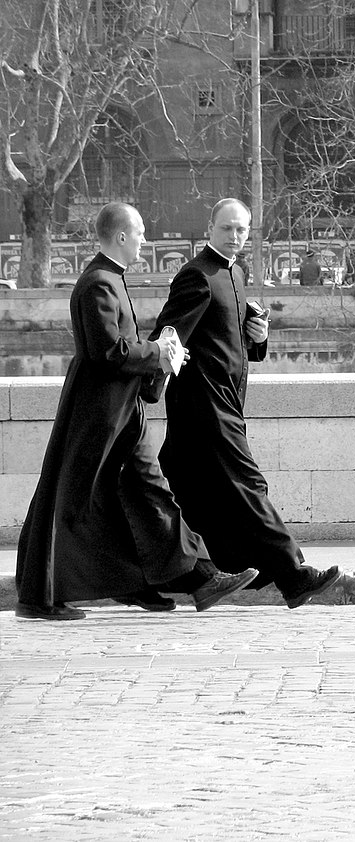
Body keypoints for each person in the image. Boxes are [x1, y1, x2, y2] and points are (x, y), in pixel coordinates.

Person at [15, 202, 258, 620]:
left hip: (119, 410)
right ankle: (39, 597)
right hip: (100, 413)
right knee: (72, 499)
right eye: (141, 232)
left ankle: (181, 580)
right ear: (122, 236)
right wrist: (158, 353)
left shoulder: (109, 278)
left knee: (149, 490)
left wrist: (154, 359)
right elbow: (107, 351)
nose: (146, 239)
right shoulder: (98, 284)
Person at [148, 198, 342, 609]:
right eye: (227, 229)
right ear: (210, 227)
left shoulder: (236, 272)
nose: (235, 237)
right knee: (248, 485)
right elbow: (168, 335)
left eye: (242, 230)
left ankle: (177, 577)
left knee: (184, 495)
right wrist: (146, 381)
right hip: (204, 404)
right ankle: (293, 575)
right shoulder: (195, 276)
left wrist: (259, 337)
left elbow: (233, 344)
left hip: (225, 402)